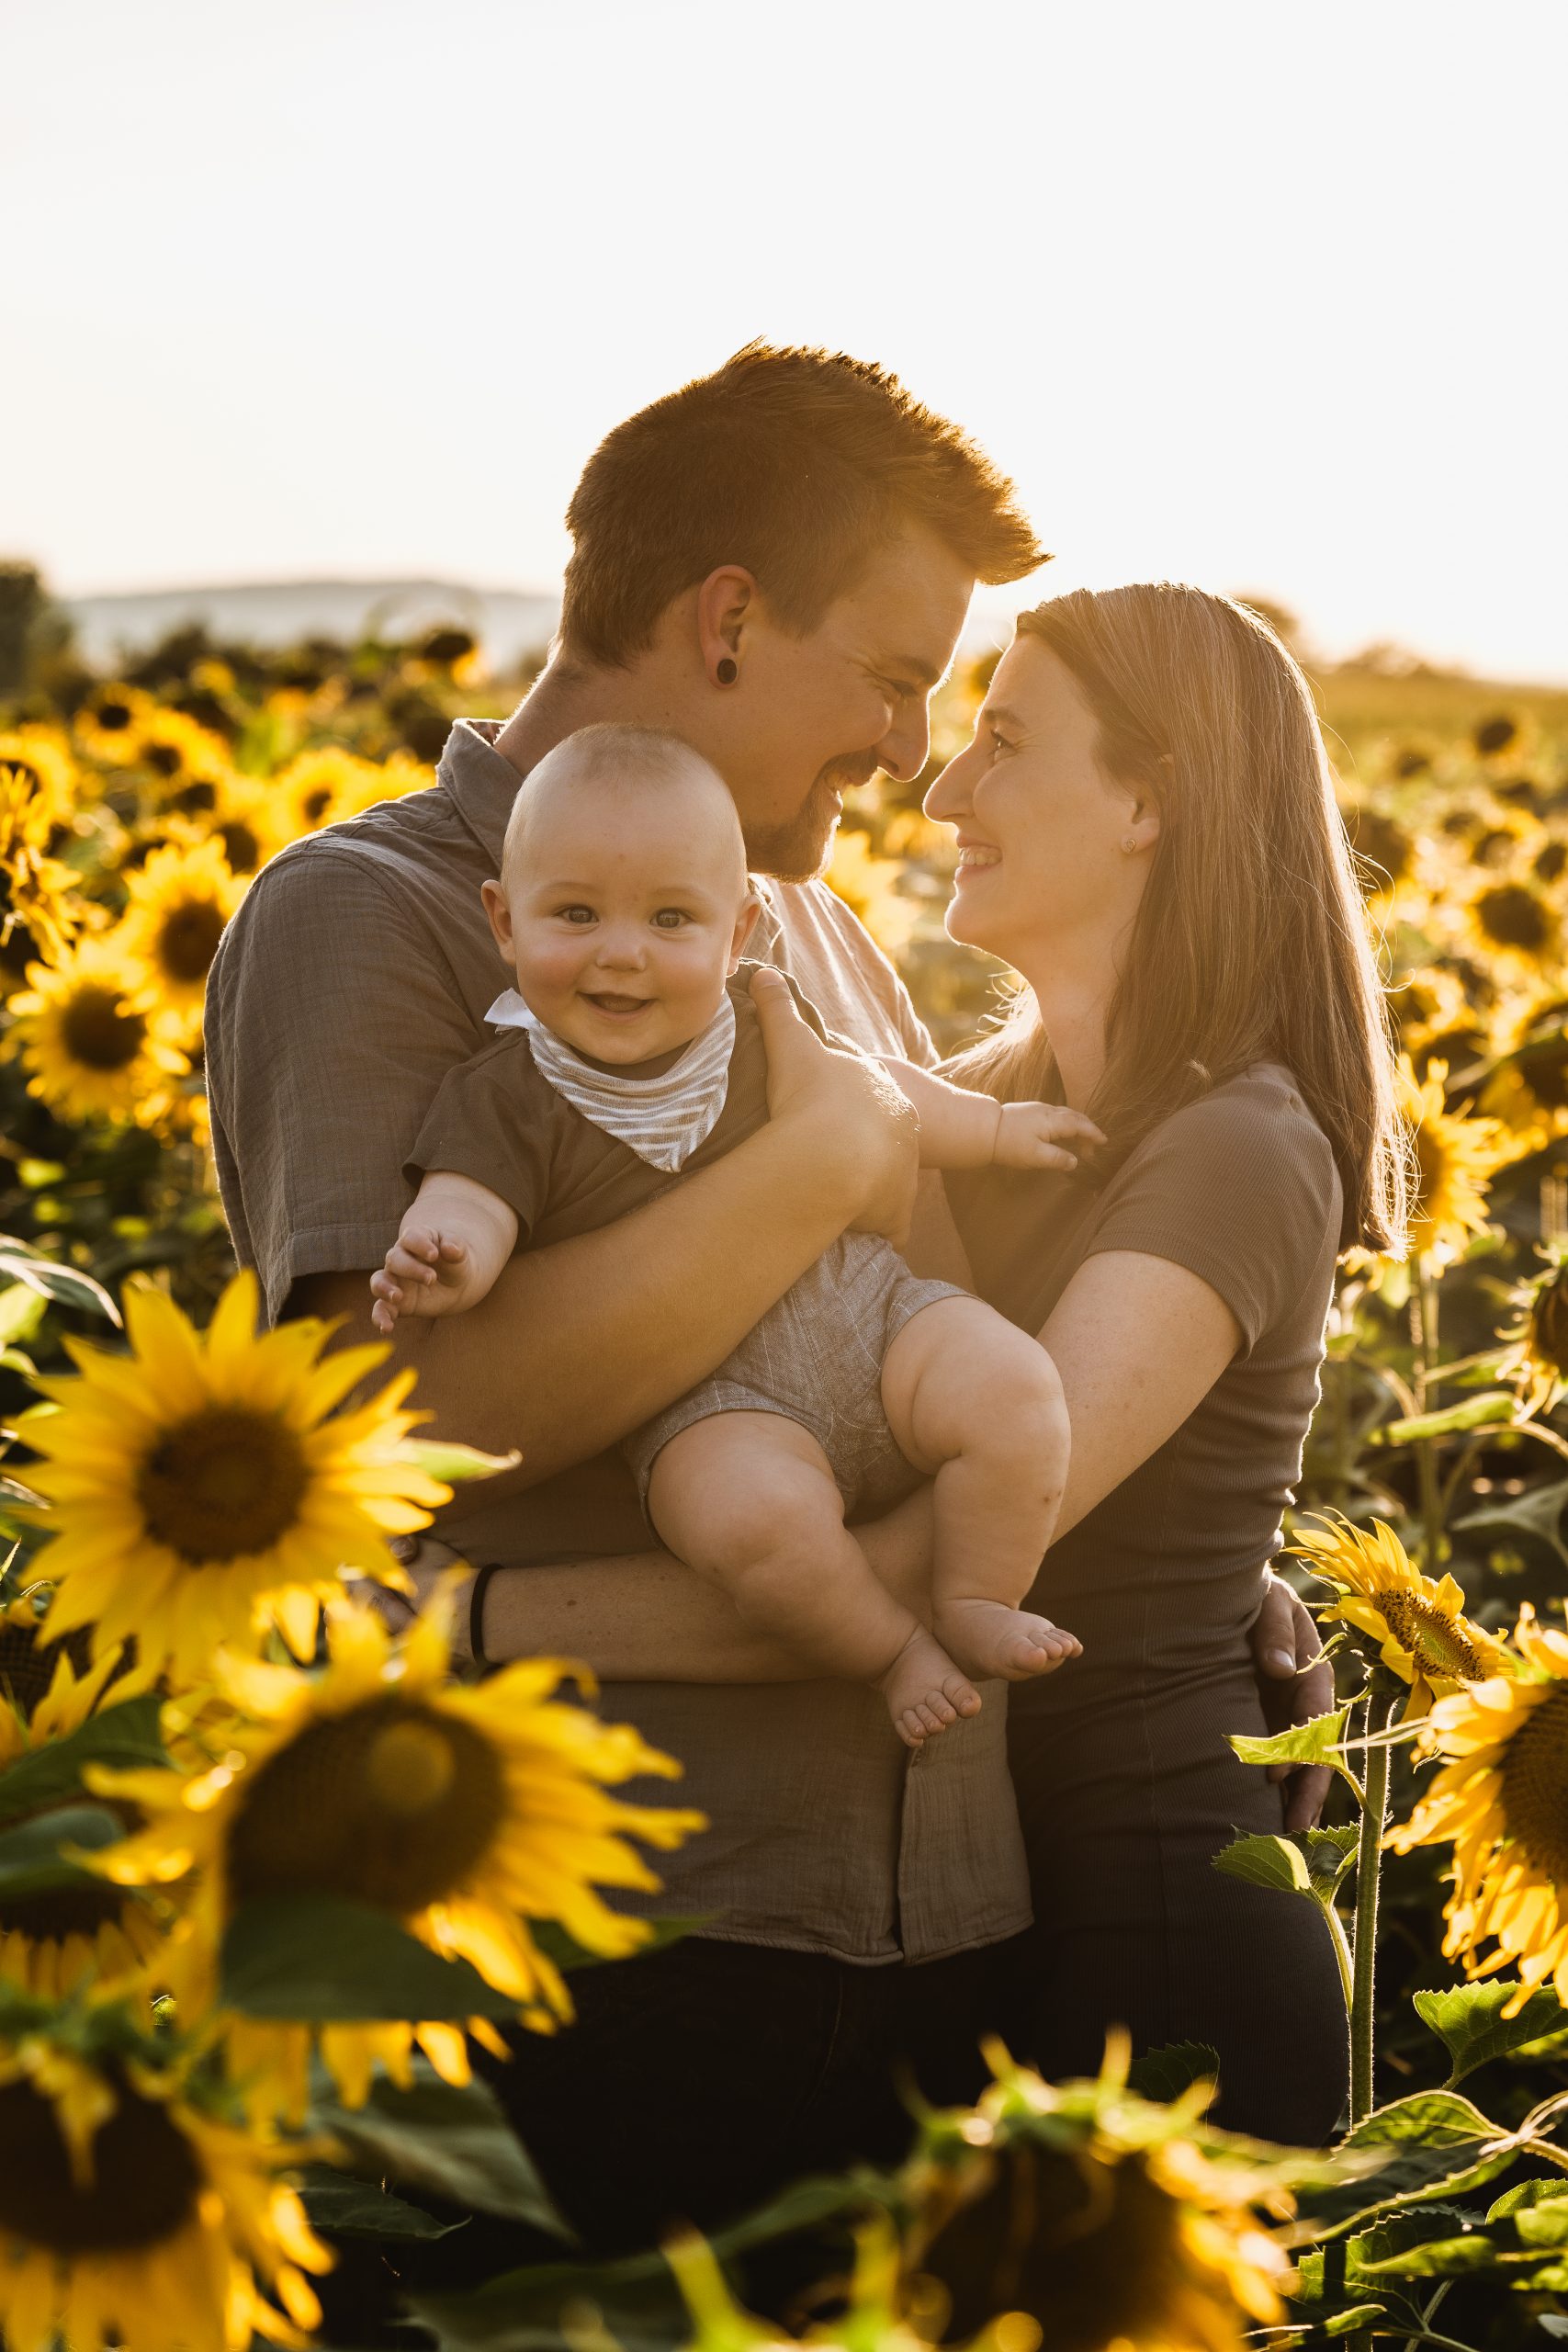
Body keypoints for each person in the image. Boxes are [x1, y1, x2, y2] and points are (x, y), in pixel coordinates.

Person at [205, 345, 1330, 2265]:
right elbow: (392, 1425)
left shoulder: (791, 923)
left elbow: (930, 1333)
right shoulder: (373, 917)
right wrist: (812, 1161)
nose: (907, 750)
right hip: (644, 1927)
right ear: (725, 619)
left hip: (955, 1916)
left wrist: (1190, 1583)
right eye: (893, 678)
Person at [930, 584, 1407, 2144]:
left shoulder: (1236, 1145)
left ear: (1147, 800)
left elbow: (989, 1518)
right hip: (992, 1917)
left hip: (1156, 1932)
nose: (944, 791)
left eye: (1000, 745)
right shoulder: (986, 1107)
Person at [371, 722, 1091, 1743]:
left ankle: (975, 1593)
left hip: (875, 1316)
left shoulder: (761, 1021)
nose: (622, 952)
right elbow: (472, 1198)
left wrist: (998, 1128)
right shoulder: (511, 1091)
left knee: (1017, 1387)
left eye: (671, 918)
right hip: (711, 1402)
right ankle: (891, 1649)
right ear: (503, 920)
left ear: (741, 926)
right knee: (758, 1534)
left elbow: (889, 1098)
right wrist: (448, 1252)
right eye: (575, 913)